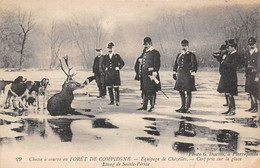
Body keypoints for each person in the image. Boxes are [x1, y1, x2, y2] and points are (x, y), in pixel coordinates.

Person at [173, 39, 198, 113]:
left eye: (185, 46)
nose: (183, 47)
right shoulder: (179, 55)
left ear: (188, 46)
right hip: (180, 74)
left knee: (188, 91)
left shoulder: (191, 54)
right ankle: (182, 106)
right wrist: (174, 72)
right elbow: (176, 64)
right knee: (180, 90)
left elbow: (194, 65)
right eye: (182, 46)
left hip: (187, 74)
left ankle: (187, 107)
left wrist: (193, 74)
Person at [137, 37, 161, 112]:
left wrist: (154, 72)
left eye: (146, 44)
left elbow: (157, 64)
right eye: (145, 44)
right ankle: (144, 106)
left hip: (151, 75)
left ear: (150, 44)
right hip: (144, 75)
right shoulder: (145, 51)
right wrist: (139, 59)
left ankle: (152, 106)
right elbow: (141, 58)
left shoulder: (155, 52)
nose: (145, 46)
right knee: (144, 90)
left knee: (152, 91)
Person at [217, 39, 239, 116]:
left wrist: (223, 61)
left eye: (229, 47)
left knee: (231, 94)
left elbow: (233, 66)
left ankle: (233, 109)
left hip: (231, 77)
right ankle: (230, 109)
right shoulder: (230, 54)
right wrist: (220, 60)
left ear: (233, 47)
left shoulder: (235, 55)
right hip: (227, 76)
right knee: (228, 93)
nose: (228, 48)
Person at [244, 37, 259, 113]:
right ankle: (252, 106)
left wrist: (257, 75)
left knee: (255, 91)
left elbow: (259, 65)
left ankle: (256, 107)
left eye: (252, 44)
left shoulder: (257, 52)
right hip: (249, 74)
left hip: (254, 74)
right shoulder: (248, 52)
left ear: (255, 44)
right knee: (250, 90)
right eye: (249, 44)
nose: (251, 45)